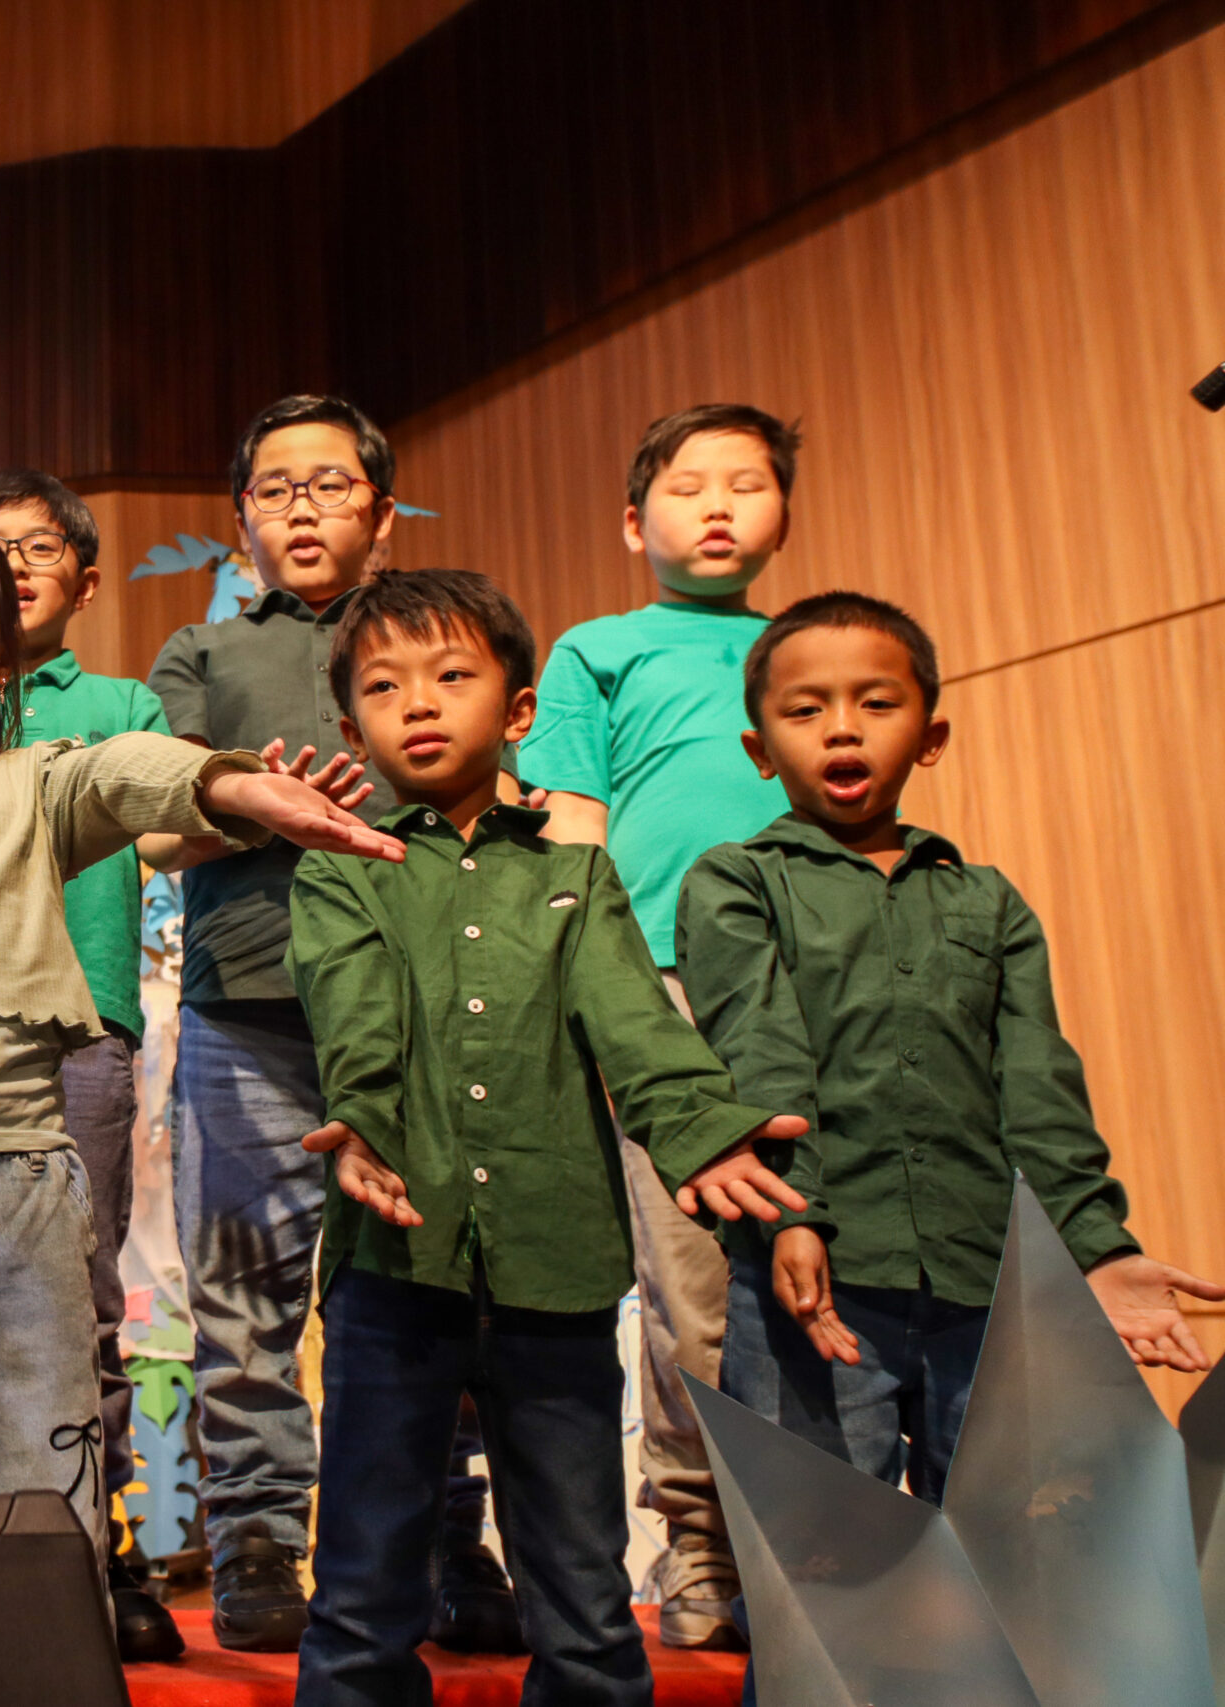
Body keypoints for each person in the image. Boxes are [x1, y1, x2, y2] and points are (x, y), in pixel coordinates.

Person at [0, 508, 400, 1560]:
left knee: (39, 1492)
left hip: (22, 1185)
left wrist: (232, 783)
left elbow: (128, 769)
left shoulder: (42, 777)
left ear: (3, 652)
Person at [285, 567, 808, 1707]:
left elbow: (638, 1028)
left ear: (519, 709)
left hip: (555, 1262)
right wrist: (363, 1122)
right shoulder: (338, 867)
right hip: (394, 1261)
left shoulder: (577, 873)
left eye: (451, 676)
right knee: (365, 1582)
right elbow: (352, 1011)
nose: (419, 703)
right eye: (384, 687)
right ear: (350, 728)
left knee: (580, 1589)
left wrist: (704, 1133)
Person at [678, 592, 1221, 1514]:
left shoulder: (988, 899)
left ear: (931, 737)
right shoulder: (736, 881)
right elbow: (758, 1060)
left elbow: (1040, 1088)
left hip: (982, 1283)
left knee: (1011, 1545)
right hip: (811, 1273)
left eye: (875, 702)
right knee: (828, 1552)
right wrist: (794, 1217)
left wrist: (1095, 1248)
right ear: (759, 750)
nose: (841, 727)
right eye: (805, 709)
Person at [146, 394, 512, 1654]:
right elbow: (152, 831)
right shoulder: (200, 652)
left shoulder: (439, 637)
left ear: (381, 510)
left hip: (422, 1004)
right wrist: (258, 805)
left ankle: (447, 1536)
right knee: (244, 1292)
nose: (302, 510)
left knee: (430, 1281)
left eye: (330, 485)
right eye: (276, 489)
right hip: (248, 1005)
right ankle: (255, 1540)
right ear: (240, 517)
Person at [513, 403, 802, 1647]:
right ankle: (701, 1547)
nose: (719, 505)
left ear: (784, 512)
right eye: (689, 487)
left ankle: (823, 1545)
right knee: (691, 1286)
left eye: (747, 482)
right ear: (634, 524)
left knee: (826, 1261)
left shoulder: (808, 645)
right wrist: (600, 994)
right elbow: (570, 829)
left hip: (814, 989)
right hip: (663, 994)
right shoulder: (600, 649)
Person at [0, 467, 184, 1658]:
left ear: (85, 583)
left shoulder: (121, 699)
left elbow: (174, 823)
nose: (14, 564)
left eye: (39, 547)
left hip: (83, 1025)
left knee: (80, 1294)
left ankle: (98, 1543)